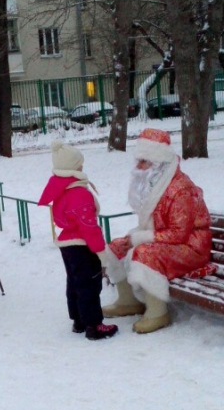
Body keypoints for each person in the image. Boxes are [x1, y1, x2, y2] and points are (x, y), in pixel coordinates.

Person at [103, 128, 212, 334]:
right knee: (117, 246)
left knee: (144, 252)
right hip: (168, 241)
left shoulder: (180, 189)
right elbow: (154, 225)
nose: (139, 167)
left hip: (192, 247)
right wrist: (132, 238)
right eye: (139, 161)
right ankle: (128, 301)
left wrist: (140, 238)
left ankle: (157, 312)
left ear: (158, 163)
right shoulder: (156, 183)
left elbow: (179, 234)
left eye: (144, 162)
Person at [38, 140, 118, 340]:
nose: (82, 166)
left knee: (74, 282)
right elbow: (89, 227)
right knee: (90, 285)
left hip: (67, 244)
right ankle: (94, 325)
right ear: (73, 167)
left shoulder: (61, 188)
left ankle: (79, 320)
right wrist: (100, 251)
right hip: (82, 245)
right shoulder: (79, 193)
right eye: (79, 164)